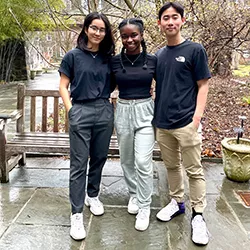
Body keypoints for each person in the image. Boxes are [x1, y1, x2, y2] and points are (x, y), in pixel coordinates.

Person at [153, 2, 211, 246]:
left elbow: (203, 85)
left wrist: (196, 118)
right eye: (165, 18)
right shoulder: (158, 54)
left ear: (182, 20)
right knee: (172, 168)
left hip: (186, 122)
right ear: (159, 23)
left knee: (194, 170)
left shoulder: (194, 50)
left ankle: (198, 215)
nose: (170, 22)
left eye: (174, 17)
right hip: (163, 124)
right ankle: (176, 203)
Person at [59, 12, 115, 240]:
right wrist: (71, 110)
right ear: (85, 29)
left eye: (102, 30)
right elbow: (63, 86)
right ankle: (76, 213)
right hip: (80, 110)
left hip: (103, 110)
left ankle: (93, 195)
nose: (97, 33)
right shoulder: (73, 56)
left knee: (100, 158)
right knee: (78, 163)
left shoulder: (108, 58)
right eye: (94, 28)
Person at [111, 18, 157, 231]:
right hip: (122, 111)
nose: (130, 39)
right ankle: (134, 195)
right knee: (127, 159)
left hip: (145, 112)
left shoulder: (152, 60)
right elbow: (103, 85)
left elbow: (166, 87)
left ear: (142, 35)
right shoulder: (114, 62)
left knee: (142, 161)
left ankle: (145, 207)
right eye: (125, 36)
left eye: (134, 35)